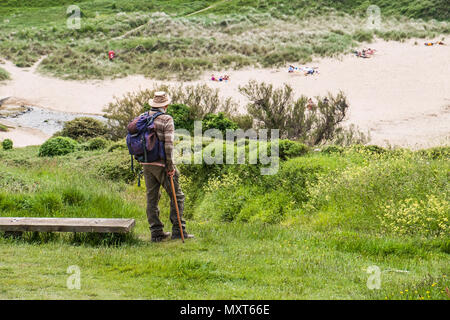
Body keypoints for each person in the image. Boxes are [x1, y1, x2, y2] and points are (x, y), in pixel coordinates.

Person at [142, 91, 194, 242]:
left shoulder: (144, 117)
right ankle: (178, 231)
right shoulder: (166, 119)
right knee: (177, 196)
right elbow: (169, 145)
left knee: (152, 198)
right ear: (166, 105)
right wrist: (170, 166)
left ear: (153, 104)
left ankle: (156, 232)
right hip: (161, 163)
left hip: (146, 163)